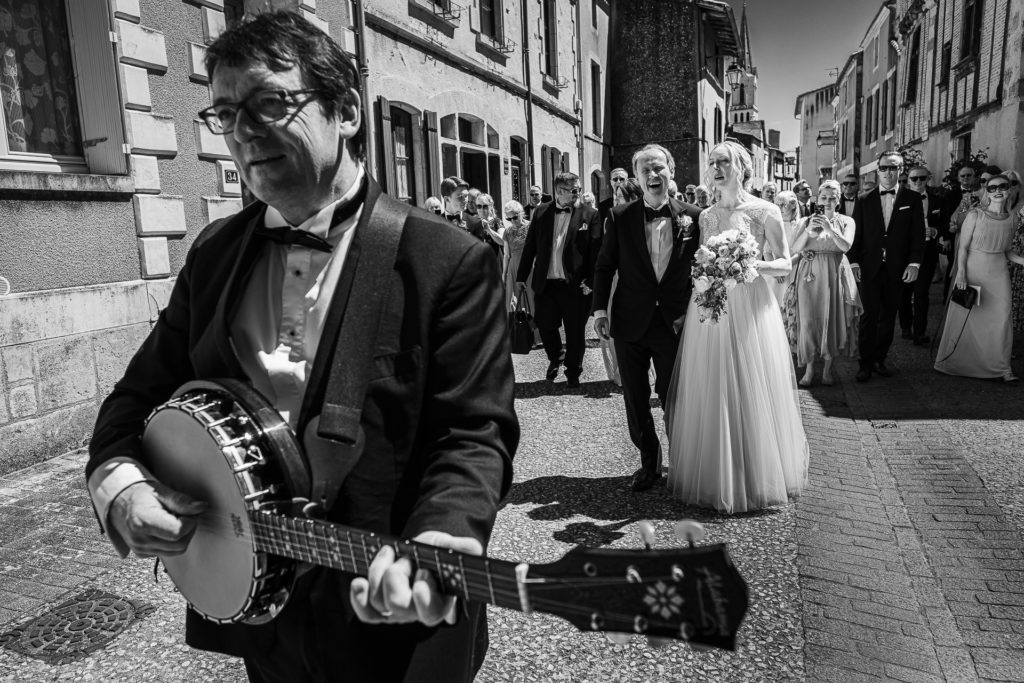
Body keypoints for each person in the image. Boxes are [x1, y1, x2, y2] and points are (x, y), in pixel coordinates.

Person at [84, 11, 518, 683]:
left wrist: (442, 537)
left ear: (344, 110)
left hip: (394, 623)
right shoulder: (213, 254)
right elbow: (135, 398)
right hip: (262, 616)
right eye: (225, 114)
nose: (243, 133)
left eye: (270, 103)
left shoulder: (447, 260)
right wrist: (122, 487)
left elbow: (471, 431)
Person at [665, 141, 808, 513]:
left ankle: (755, 473)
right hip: (716, 309)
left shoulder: (765, 210)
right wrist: (708, 276)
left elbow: (785, 264)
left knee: (752, 385)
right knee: (715, 387)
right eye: (711, 162)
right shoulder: (707, 217)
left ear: (741, 167)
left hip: (752, 308)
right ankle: (717, 473)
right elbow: (700, 262)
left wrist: (749, 265)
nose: (715, 168)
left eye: (723, 161)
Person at [592, 144, 701, 492]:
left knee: (673, 396)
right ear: (637, 178)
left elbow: (704, 270)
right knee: (635, 398)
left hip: (673, 323)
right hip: (629, 321)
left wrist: (692, 313)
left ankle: (681, 462)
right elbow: (605, 266)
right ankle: (649, 462)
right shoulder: (620, 216)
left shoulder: (695, 218)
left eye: (659, 169)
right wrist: (598, 310)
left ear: (671, 171)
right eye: (645, 171)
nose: (653, 176)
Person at [935, 174, 1024, 382]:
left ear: (1009, 189)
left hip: (999, 272)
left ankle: (1002, 368)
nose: (998, 191)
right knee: (970, 318)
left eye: (1003, 186)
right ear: (987, 192)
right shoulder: (975, 215)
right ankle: (960, 363)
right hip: (974, 270)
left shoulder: (1012, 218)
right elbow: (963, 248)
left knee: (1002, 318)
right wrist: (962, 274)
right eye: (992, 188)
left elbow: (1008, 251)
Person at [515, 172, 601, 388]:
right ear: (559, 191)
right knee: (545, 326)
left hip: (575, 285)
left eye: (579, 189)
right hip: (546, 284)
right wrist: (521, 276)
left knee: (575, 332)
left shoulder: (590, 215)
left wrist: (591, 280)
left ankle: (573, 371)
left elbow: (596, 253)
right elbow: (531, 245)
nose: (578, 193)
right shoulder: (542, 212)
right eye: (574, 190)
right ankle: (556, 356)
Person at [848, 151, 926, 382]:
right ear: (878, 170)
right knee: (868, 317)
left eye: (893, 168)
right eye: (884, 168)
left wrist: (914, 263)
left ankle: (880, 359)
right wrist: (853, 262)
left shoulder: (912, 200)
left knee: (889, 316)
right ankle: (865, 363)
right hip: (869, 268)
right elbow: (856, 236)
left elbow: (917, 235)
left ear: (900, 170)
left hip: (897, 268)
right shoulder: (864, 200)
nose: (888, 172)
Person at [786, 180, 862, 386]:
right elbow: (794, 248)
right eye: (824, 198)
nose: (827, 202)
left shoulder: (847, 221)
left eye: (832, 198)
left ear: (838, 200)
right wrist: (810, 231)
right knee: (808, 321)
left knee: (832, 318)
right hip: (808, 273)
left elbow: (845, 246)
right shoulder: (804, 221)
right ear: (817, 199)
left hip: (834, 272)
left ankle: (828, 370)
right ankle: (809, 370)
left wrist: (830, 227)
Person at [598, 177, 645, 387]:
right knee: (617, 325)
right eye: (615, 197)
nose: (616, 202)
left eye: (620, 197)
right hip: (617, 278)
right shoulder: (613, 219)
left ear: (634, 197)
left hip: (642, 280)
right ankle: (621, 371)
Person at [898, 166, 944, 345]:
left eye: (922, 178)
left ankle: (920, 333)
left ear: (928, 178)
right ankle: (905, 327)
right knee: (904, 292)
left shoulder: (938, 201)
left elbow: (946, 223)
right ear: (908, 180)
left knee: (921, 293)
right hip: (904, 254)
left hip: (927, 253)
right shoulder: (898, 200)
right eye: (914, 179)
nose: (918, 182)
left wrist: (935, 231)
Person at [769, 190, 802, 308]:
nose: (779, 208)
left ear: (793, 205)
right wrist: (775, 270)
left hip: (794, 270)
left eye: (783, 205)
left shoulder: (799, 226)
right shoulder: (772, 224)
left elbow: (801, 252)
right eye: (777, 205)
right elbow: (767, 251)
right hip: (775, 273)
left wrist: (786, 267)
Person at [441, 176, 486, 242]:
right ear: (447, 199)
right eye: (460, 197)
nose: (465, 200)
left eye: (466, 196)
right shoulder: (435, 222)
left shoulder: (476, 223)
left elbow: (480, 251)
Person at [1006, 170, 1024, 332]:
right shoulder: (990, 204)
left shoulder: (1023, 208)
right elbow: (958, 217)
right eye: (1005, 184)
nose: (1009, 188)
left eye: (1013, 183)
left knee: (1012, 302)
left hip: (1017, 261)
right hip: (994, 260)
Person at [474, 191, 504, 263]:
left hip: (495, 261)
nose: (481, 209)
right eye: (479, 206)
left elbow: (502, 241)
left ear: (490, 206)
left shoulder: (497, 221)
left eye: (485, 206)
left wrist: (489, 230)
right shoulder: (473, 222)